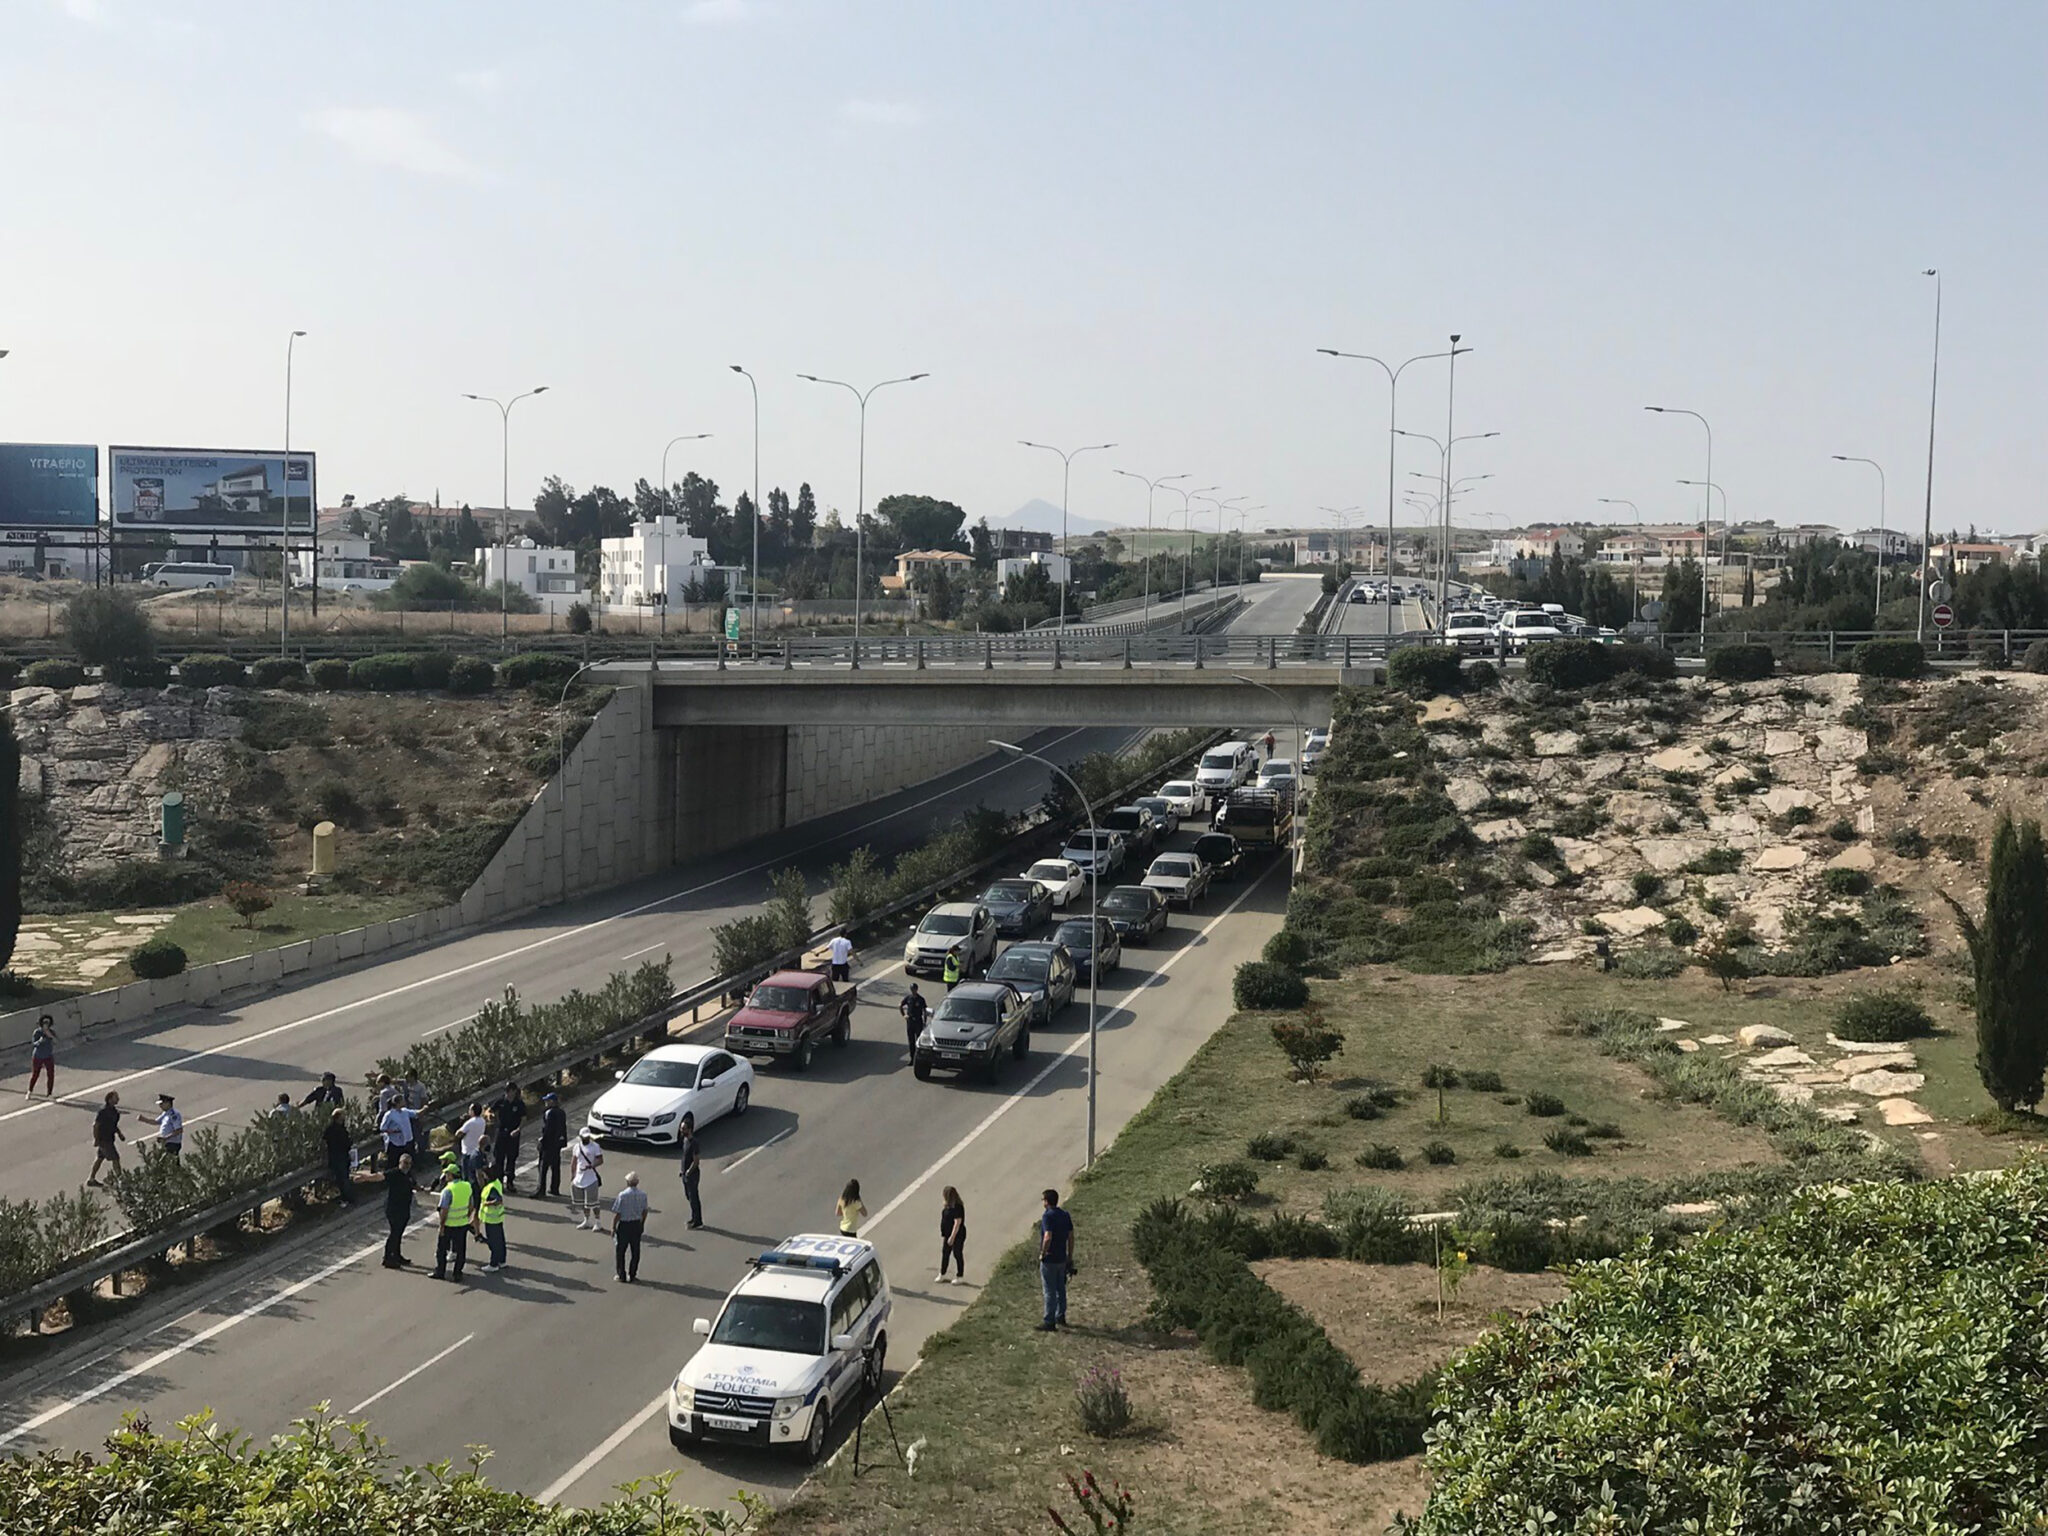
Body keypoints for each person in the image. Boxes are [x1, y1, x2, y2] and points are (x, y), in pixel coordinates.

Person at [430, 1162, 478, 1281]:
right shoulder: (467, 1186)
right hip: (462, 1223)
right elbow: (471, 1205)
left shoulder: (448, 1190)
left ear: (451, 1175)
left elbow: (444, 1210)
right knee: (460, 1250)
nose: (446, 1176)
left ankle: (440, 1271)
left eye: (447, 1173)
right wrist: (466, 1217)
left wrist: (441, 1225)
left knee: (442, 1249)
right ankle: (458, 1273)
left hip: (449, 1224)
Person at [1036, 1189, 1074, 1331]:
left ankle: (1049, 1321)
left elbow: (1048, 1236)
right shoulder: (1065, 1215)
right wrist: (1070, 1256)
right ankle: (1061, 1315)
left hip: (1050, 1259)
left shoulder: (1048, 1216)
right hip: (1062, 1258)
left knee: (1049, 1290)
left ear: (1047, 1201)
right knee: (1060, 1288)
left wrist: (1042, 1253)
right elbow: (1071, 1236)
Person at [611, 1171, 649, 1283]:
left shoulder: (622, 1195)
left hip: (624, 1225)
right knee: (635, 1251)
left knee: (620, 1251)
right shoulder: (643, 1195)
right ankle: (632, 1274)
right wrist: (642, 1223)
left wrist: (613, 1227)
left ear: (627, 1182)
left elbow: (617, 1213)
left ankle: (621, 1274)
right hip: (636, 1224)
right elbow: (645, 1211)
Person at [489, 1083, 526, 1196]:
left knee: (512, 1157)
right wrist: (491, 1116)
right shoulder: (500, 1102)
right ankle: (499, 1181)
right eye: (507, 1090)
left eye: (511, 1090)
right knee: (499, 1158)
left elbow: (524, 1118)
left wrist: (518, 1129)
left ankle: (510, 1182)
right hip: (501, 1133)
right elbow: (489, 1110)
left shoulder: (519, 1104)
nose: (509, 1093)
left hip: (513, 1134)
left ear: (515, 1091)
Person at [382, 1152, 417, 1269]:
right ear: (400, 1163)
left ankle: (396, 1255)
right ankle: (387, 1258)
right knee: (394, 1233)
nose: (407, 1166)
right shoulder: (394, 1173)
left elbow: (414, 1185)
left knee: (399, 1233)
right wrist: (365, 1178)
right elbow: (380, 1176)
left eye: (409, 1164)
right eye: (405, 1163)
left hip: (404, 1208)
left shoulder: (409, 1174)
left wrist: (423, 1189)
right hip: (394, 1209)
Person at [88, 1090, 126, 1186]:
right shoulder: (103, 1112)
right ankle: (120, 1180)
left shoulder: (115, 1112)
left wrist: (119, 1133)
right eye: (115, 1097)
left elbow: (113, 1125)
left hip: (109, 1138)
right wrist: (96, 1139)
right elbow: (96, 1126)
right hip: (104, 1140)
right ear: (109, 1099)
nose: (118, 1099)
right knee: (115, 1158)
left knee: (100, 1158)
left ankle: (91, 1179)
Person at [569, 1129, 605, 1230]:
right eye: (584, 1137)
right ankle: (586, 1220)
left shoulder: (595, 1146)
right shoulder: (577, 1147)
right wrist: (573, 1175)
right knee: (584, 1203)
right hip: (579, 1178)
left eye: (587, 1137)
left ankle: (598, 1222)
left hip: (591, 1179)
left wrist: (591, 1165)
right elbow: (574, 1161)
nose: (586, 1138)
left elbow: (600, 1160)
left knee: (593, 1202)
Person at [536, 1092, 568, 1197]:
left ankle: (541, 1190)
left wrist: (542, 1142)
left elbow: (548, 1130)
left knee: (543, 1167)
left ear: (552, 1101)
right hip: (557, 1144)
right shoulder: (562, 1113)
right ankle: (555, 1188)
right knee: (555, 1167)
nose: (546, 1102)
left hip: (548, 1144)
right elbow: (563, 1129)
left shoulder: (549, 1113)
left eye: (547, 1101)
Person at [477, 1162, 508, 1272]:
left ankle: (493, 1263)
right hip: (497, 1217)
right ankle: (502, 1260)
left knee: (494, 1241)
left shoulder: (491, 1187)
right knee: (500, 1240)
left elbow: (498, 1200)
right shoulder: (497, 1183)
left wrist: (487, 1203)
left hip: (492, 1219)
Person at [322, 1107, 354, 1204]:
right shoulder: (338, 1129)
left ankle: (345, 1197)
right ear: (338, 1117)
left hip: (336, 1156)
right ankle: (348, 1198)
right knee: (344, 1178)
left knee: (341, 1178)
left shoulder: (330, 1129)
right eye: (343, 1115)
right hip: (340, 1156)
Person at [677, 1112, 703, 1229]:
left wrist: (688, 1171)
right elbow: (684, 1157)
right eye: (681, 1128)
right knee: (688, 1196)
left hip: (692, 1175)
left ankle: (697, 1221)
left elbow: (696, 1161)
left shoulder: (694, 1143)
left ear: (690, 1129)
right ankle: (694, 1218)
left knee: (693, 1198)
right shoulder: (685, 1140)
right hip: (685, 1174)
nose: (681, 1130)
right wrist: (682, 1171)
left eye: (683, 1128)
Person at [938, 1186, 967, 1284]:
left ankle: (960, 1276)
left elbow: (957, 1223)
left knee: (957, 1254)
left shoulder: (957, 1207)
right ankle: (942, 1273)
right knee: (945, 1253)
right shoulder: (948, 1205)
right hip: (947, 1234)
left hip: (957, 1235)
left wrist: (952, 1237)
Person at [143, 1093, 184, 1158]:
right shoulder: (165, 1113)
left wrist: (165, 1138)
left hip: (173, 1144)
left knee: (169, 1163)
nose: (160, 1106)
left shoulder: (174, 1114)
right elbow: (156, 1122)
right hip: (166, 1143)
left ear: (168, 1103)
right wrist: (144, 1119)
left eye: (161, 1104)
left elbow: (179, 1130)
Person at [456, 1101, 488, 1183]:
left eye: (470, 1109)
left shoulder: (469, 1122)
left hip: (467, 1152)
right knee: (477, 1173)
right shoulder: (482, 1121)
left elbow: (458, 1134)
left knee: (467, 1176)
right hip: (477, 1150)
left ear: (473, 1111)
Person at [26, 1016, 56, 1099]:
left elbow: (56, 1041)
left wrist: (50, 1035)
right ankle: (30, 1091)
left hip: (48, 1056)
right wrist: (39, 1041)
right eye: (44, 1023)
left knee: (50, 1075)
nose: (46, 1025)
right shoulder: (37, 1032)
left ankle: (49, 1093)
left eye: (47, 1023)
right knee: (35, 1074)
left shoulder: (51, 1032)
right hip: (38, 1056)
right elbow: (34, 1044)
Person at [899, 983, 929, 1058]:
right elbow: (900, 1005)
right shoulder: (908, 998)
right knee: (911, 1041)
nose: (913, 991)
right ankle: (912, 1058)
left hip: (918, 1021)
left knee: (918, 1040)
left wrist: (924, 1022)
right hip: (910, 1021)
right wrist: (904, 1015)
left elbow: (924, 1011)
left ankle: (918, 1057)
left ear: (916, 989)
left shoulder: (921, 999)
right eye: (911, 989)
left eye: (914, 989)